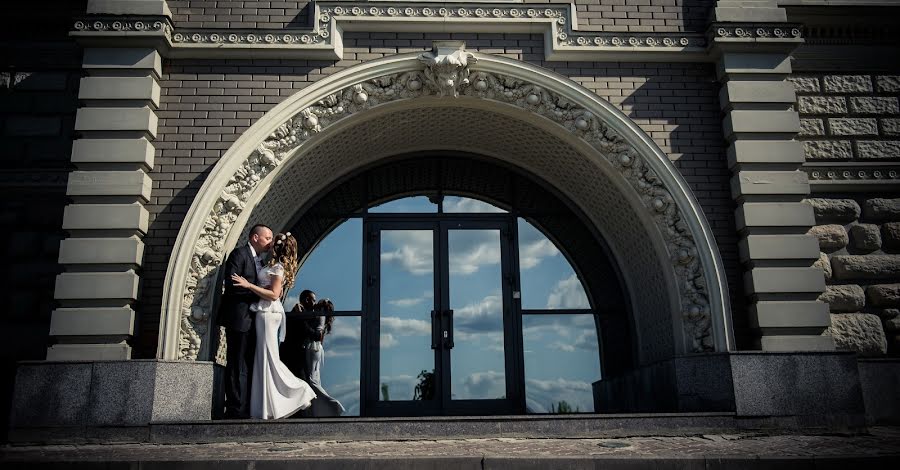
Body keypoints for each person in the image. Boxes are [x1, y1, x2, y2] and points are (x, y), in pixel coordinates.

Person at [231, 232, 317, 419]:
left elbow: (274, 294)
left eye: (273, 242)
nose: (270, 245)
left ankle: (300, 390)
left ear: (278, 248)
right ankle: (265, 407)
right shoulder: (271, 265)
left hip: (269, 314)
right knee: (263, 358)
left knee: (268, 358)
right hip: (263, 313)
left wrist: (248, 286)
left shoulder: (278, 268)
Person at [218, 224, 272, 419]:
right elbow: (233, 285)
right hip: (239, 318)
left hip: (254, 319)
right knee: (236, 363)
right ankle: (234, 407)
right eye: (268, 238)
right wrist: (258, 295)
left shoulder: (261, 260)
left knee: (250, 363)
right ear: (255, 238)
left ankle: (249, 405)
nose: (270, 243)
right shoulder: (239, 255)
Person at [304, 299, 346, 417]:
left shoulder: (319, 315)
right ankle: (317, 411)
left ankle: (333, 405)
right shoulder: (322, 317)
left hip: (313, 347)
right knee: (315, 380)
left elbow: (317, 334)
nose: (315, 302)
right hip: (317, 348)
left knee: (311, 380)